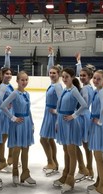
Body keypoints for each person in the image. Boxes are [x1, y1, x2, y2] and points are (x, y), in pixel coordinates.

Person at [53, 67, 87, 194]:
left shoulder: (74, 90)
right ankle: (65, 174)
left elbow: (84, 105)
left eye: (67, 76)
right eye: (63, 76)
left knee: (71, 152)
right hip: (62, 122)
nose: (64, 79)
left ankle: (70, 178)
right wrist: (57, 121)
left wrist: (74, 115)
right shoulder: (64, 90)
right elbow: (59, 107)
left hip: (70, 123)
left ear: (72, 77)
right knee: (66, 150)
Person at [0, 71, 36, 186]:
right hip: (17, 124)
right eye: (22, 80)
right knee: (17, 149)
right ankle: (15, 172)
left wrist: (32, 123)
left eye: (26, 80)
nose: (24, 82)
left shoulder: (27, 94)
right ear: (17, 81)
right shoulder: (14, 93)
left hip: (26, 123)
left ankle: (25, 173)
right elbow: (3, 106)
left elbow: (28, 110)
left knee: (26, 148)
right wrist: (13, 118)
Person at [87, 70, 103, 194]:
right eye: (94, 78)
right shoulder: (98, 91)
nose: (95, 81)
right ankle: (99, 182)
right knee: (97, 156)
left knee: (98, 157)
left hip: (99, 125)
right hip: (96, 123)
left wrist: (100, 121)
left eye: (98, 79)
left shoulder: (101, 91)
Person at [40, 46, 62, 176]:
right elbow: (50, 67)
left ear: (58, 74)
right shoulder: (53, 84)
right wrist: (50, 55)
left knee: (44, 139)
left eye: (54, 73)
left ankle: (51, 162)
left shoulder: (58, 86)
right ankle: (54, 162)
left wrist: (57, 112)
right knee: (49, 140)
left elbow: (62, 100)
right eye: (51, 73)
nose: (52, 74)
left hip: (52, 115)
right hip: (48, 113)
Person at [74, 52, 95, 182]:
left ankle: (83, 168)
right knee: (86, 145)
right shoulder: (88, 87)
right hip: (86, 116)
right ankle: (89, 169)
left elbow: (85, 104)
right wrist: (79, 62)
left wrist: (74, 114)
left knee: (77, 143)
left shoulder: (86, 89)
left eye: (84, 76)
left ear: (89, 77)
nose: (81, 77)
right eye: (80, 75)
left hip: (82, 117)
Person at [0, 45, 14, 173]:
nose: (8, 75)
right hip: (4, 115)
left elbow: (6, 67)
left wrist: (8, 53)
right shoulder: (3, 86)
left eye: (10, 73)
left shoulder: (8, 85)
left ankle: (10, 158)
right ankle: (2, 161)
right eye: (6, 74)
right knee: (3, 139)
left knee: (10, 137)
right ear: (2, 75)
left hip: (10, 114)